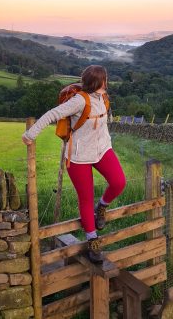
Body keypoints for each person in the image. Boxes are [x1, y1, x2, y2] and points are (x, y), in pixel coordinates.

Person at [22, 65, 126, 263]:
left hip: (103, 149)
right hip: (78, 155)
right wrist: (30, 134)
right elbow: (52, 114)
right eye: (105, 79)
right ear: (98, 82)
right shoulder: (79, 101)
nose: (107, 82)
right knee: (85, 198)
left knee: (119, 182)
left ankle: (102, 206)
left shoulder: (103, 97)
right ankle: (92, 240)